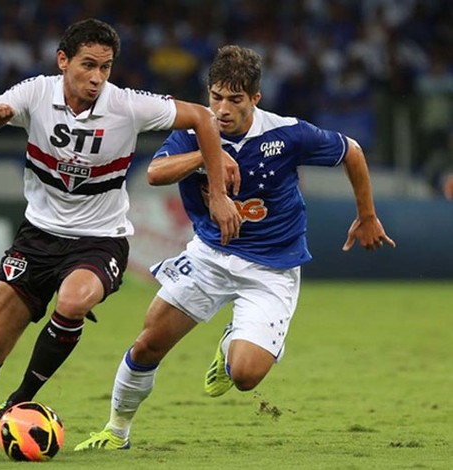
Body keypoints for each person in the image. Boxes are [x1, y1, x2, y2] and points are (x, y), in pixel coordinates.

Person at [0, 19, 242, 459]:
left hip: (100, 240)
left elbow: (202, 117)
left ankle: (16, 403)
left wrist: (217, 192)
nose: (97, 77)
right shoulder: (33, 93)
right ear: (63, 61)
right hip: (38, 237)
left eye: (105, 67)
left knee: (72, 302)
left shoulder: (126, 105)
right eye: (88, 65)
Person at [74, 45, 396, 451]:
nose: (222, 109)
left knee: (245, 375)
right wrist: (208, 155)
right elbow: (155, 173)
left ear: (255, 99)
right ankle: (116, 431)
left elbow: (352, 151)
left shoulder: (286, 134)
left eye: (235, 100)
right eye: (216, 97)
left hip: (271, 269)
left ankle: (230, 343)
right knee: (148, 342)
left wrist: (366, 215)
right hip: (209, 257)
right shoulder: (194, 131)